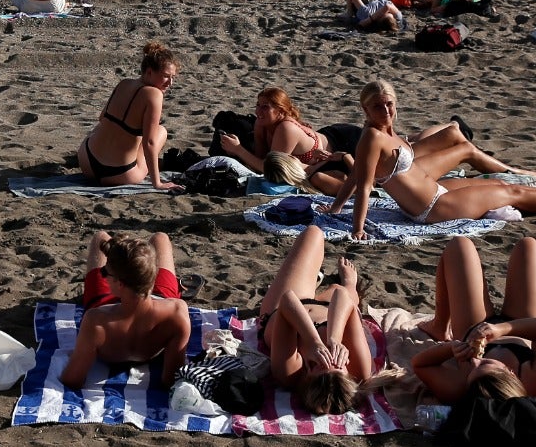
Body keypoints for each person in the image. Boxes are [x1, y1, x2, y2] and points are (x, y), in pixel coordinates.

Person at [328, 80, 536, 240]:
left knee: (495, 182)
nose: (385, 110)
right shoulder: (372, 137)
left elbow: (354, 177)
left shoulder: (387, 131)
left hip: (436, 192)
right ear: (365, 108)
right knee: (510, 192)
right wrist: (358, 228)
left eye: (389, 103)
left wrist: (336, 208)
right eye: (377, 106)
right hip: (432, 209)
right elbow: (362, 184)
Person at [410, 236, 536, 404]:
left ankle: (439, 326)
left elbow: (420, 365)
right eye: (483, 364)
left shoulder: (459, 388)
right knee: (529, 246)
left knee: (459, 245)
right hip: (523, 327)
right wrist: (502, 329)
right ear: (510, 372)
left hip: (472, 327)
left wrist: (451, 349)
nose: (474, 361)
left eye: (471, 370)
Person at [256, 226, 378, 414]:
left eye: (318, 365)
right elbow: (342, 296)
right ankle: (348, 281)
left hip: (290, 306)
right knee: (344, 289)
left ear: (308, 374)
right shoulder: (359, 369)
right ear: (348, 374)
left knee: (313, 233)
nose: (329, 359)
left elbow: (288, 300)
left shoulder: (289, 372)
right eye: (338, 366)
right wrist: (334, 340)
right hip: (331, 308)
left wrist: (313, 342)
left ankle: (313, 281)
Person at [60, 231, 192, 392]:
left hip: (106, 304)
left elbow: (72, 379)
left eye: (105, 273)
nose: (104, 276)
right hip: (158, 303)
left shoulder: (96, 321)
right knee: (160, 237)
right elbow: (171, 380)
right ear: (153, 276)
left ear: (119, 284)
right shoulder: (177, 312)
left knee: (101, 236)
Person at [77, 41, 181, 189]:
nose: (170, 83)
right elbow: (149, 143)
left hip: (87, 162)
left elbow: (101, 118)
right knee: (160, 131)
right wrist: (157, 183)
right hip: (118, 174)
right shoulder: (154, 95)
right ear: (149, 71)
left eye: (173, 77)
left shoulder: (124, 83)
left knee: (104, 128)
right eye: (166, 76)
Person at [218, 87, 360, 193]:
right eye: (258, 105)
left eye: (265, 107)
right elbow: (261, 159)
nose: (258, 111)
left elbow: (268, 168)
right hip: (322, 156)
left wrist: (238, 149)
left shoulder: (285, 128)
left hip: (344, 142)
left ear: (280, 111)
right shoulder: (262, 123)